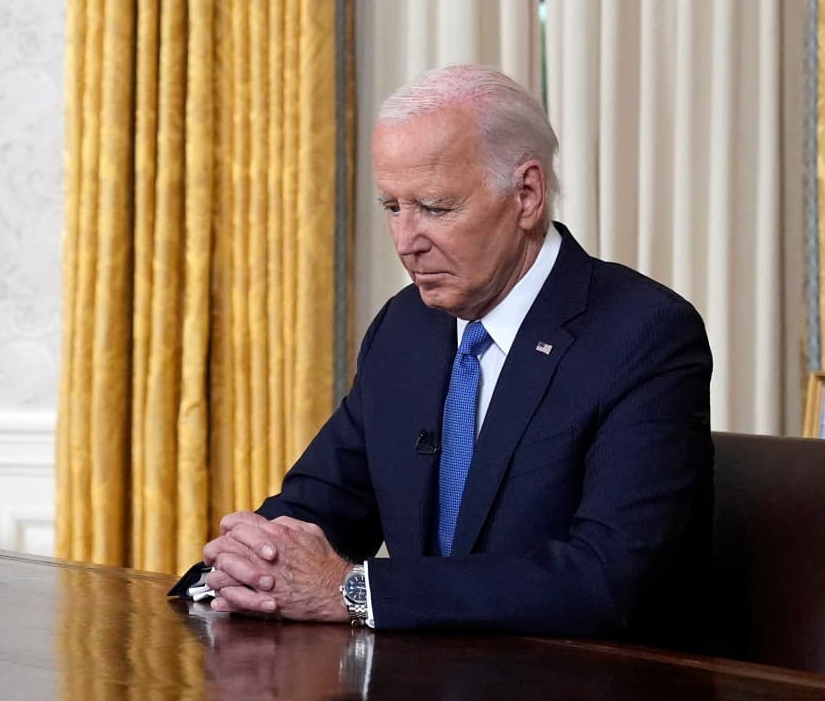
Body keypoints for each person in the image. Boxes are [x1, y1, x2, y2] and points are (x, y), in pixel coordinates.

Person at [169, 64, 713, 644]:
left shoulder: (644, 333)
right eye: (392, 207)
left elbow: (606, 581)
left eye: (434, 206)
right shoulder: (407, 327)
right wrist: (239, 572)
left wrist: (354, 591)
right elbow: (318, 507)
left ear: (526, 194)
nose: (407, 240)